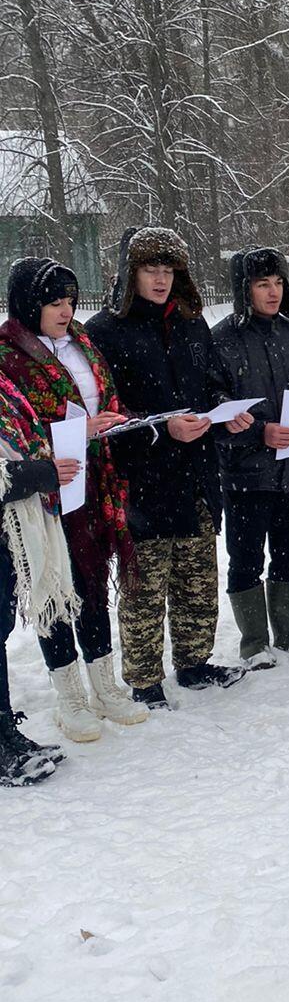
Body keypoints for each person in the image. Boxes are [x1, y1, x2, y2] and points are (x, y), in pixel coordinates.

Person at [86, 228, 254, 708]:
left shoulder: (190, 324)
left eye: (169, 270)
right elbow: (106, 415)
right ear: (129, 274)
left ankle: (195, 663)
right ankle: (143, 680)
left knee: (197, 578)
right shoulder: (103, 333)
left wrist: (225, 414)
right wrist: (160, 429)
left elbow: (207, 387)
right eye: (150, 270)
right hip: (142, 480)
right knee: (144, 586)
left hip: (197, 473)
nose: (161, 280)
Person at [0, 258, 145, 739]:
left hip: (91, 479)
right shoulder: (9, 355)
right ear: (28, 304)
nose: (65, 311)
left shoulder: (81, 341)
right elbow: (13, 432)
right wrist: (78, 429)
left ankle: (106, 687)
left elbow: (104, 396)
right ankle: (71, 698)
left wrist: (115, 418)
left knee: (90, 581)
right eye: (53, 302)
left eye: (70, 301)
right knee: (55, 585)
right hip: (41, 493)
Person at [210, 248, 289, 666]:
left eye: (278, 282)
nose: (273, 292)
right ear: (244, 289)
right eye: (263, 284)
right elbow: (214, 409)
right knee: (245, 558)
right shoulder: (221, 341)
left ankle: (287, 631)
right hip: (246, 475)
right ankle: (253, 641)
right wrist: (259, 432)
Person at [0, 368, 82, 785]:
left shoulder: (4, 385)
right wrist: (42, 474)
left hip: (8, 531)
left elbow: (22, 442)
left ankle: (4, 734)